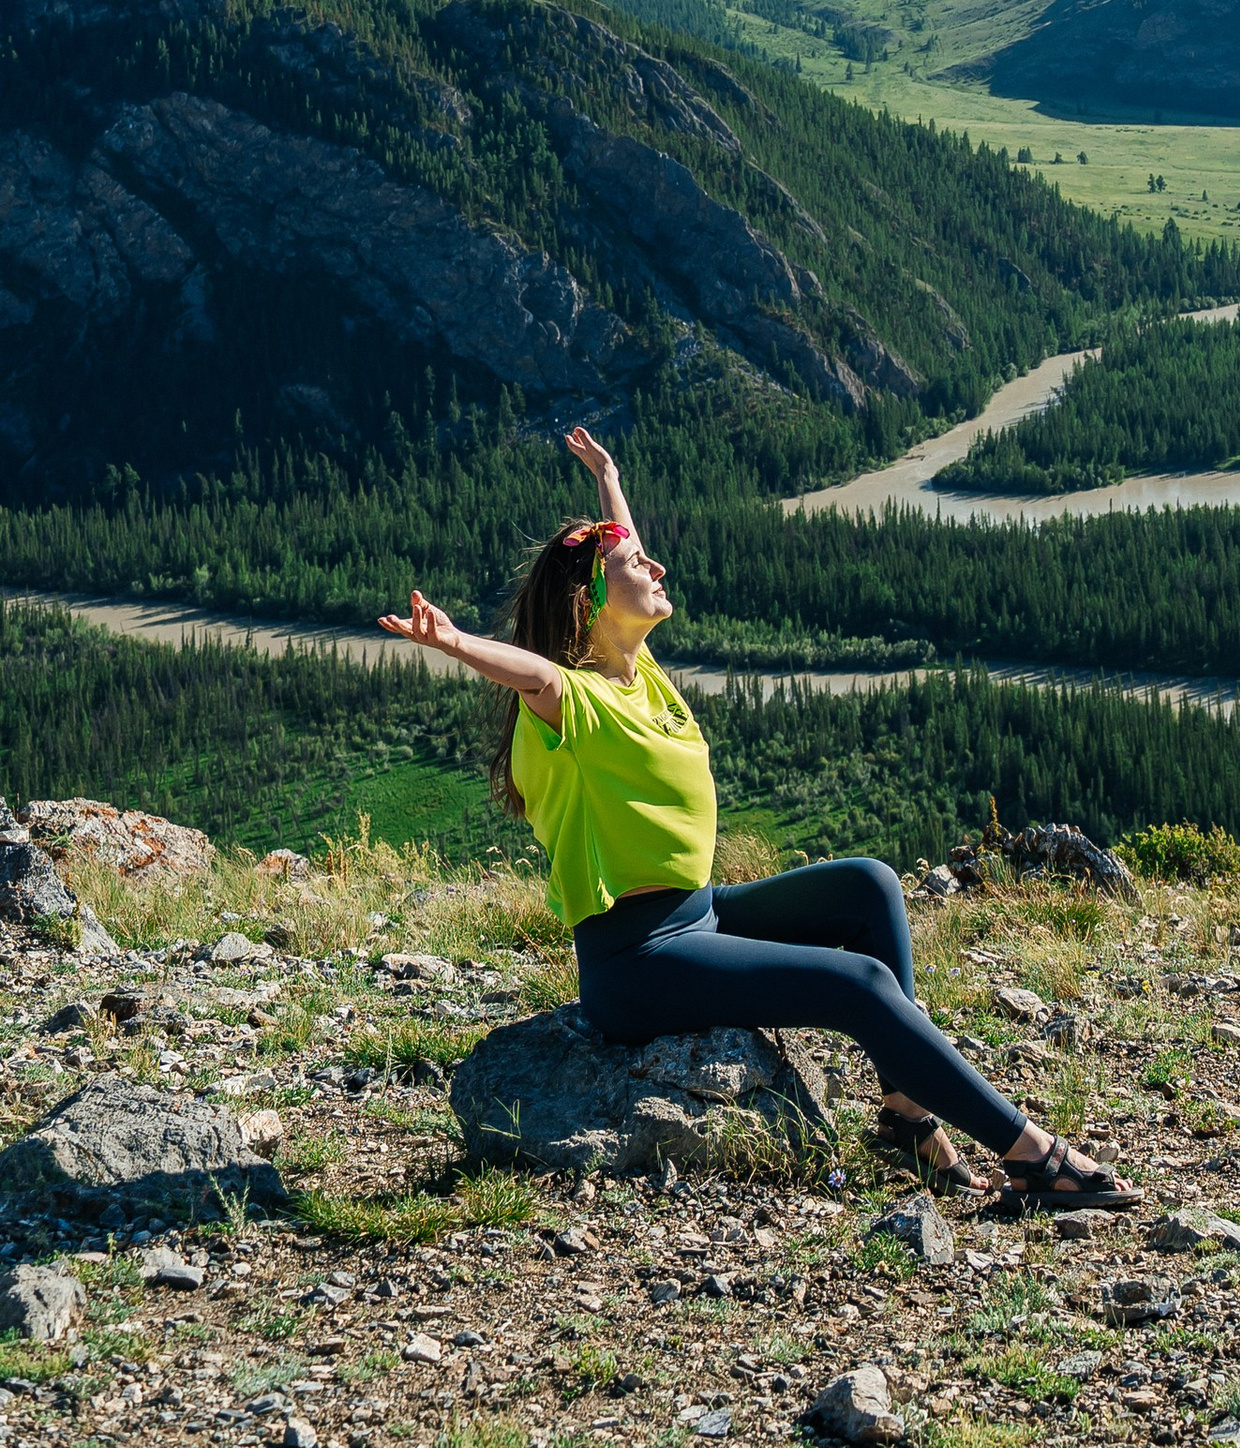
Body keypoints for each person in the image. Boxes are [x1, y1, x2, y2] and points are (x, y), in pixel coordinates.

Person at [378, 424, 1133, 1210]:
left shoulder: (636, 671)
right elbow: (534, 673)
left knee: (870, 886)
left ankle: (906, 1117)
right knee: (862, 985)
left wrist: (609, 475)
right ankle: (1032, 1156)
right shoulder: (577, 703)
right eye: (636, 567)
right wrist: (460, 642)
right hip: (639, 961)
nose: (657, 565)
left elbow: (622, 543)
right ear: (591, 602)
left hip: (701, 915)